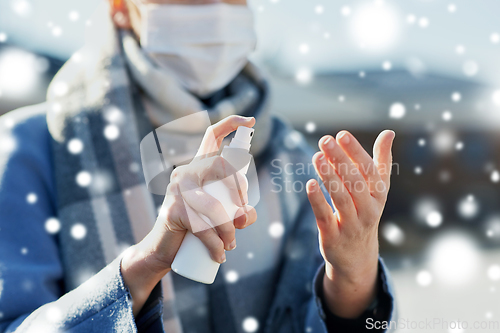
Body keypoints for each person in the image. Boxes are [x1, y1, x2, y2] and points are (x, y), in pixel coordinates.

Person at [0, 0, 396, 332]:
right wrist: (145, 265)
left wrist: (356, 280)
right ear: (121, 8)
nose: (214, 9)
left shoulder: (293, 157)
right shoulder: (27, 149)